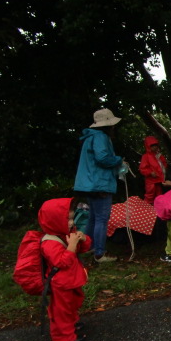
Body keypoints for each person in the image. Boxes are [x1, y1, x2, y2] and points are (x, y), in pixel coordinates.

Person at [73, 108, 125, 263]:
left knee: (93, 218)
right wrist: (118, 160)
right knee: (102, 218)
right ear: (107, 125)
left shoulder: (90, 137)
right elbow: (103, 158)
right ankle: (100, 253)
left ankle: (88, 248)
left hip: (89, 183)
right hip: (99, 183)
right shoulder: (101, 137)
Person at [38, 197, 91, 341]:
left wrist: (83, 239)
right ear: (55, 221)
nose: (72, 222)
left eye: (72, 218)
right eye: (68, 219)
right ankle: (64, 338)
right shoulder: (50, 242)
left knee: (72, 305)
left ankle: (72, 324)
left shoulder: (64, 233)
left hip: (71, 279)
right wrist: (71, 245)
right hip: (61, 284)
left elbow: (83, 249)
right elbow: (62, 262)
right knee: (61, 311)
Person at [139, 136, 170, 204]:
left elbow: (164, 165)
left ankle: (157, 212)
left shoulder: (159, 156)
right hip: (151, 181)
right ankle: (146, 210)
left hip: (159, 180)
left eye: (156, 145)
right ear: (148, 146)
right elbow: (142, 169)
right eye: (152, 145)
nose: (155, 147)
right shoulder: (146, 156)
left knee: (159, 197)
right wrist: (150, 172)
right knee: (149, 196)